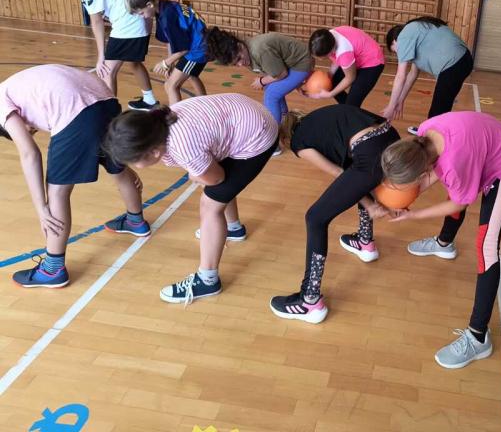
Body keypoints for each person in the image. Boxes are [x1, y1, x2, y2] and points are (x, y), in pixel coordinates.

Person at [379, 111, 501, 369]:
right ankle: (444, 244)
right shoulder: (424, 132)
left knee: (487, 247)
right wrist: (406, 201)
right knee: (457, 187)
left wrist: (414, 215)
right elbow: (436, 174)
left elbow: (460, 201)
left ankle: (478, 337)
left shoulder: (454, 163)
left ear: (421, 170)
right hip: (482, 143)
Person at [103, 93, 278, 304]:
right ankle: (233, 228)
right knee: (214, 189)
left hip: (257, 135)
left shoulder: (183, 147)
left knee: (209, 206)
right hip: (245, 118)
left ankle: (208, 280)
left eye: (133, 162)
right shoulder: (157, 122)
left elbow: (217, 178)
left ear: (155, 152)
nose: (133, 166)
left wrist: (195, 175)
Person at [0, 65, 150, 288]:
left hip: (75, 111)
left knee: (57, 191)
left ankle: (52, 270)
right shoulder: (15, 86)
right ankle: (135, 221)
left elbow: (29, 153)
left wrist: (41, 208)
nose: (32, 130)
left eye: (31, 129)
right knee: (117, 167)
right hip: (106, 100)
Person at [269, 104, 400, 323]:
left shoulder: (299, 141)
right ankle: (365, 242)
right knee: (359, 177)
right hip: (391, 138)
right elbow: (353, 175)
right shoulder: (321, 118)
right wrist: (368, 201)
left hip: (369, 151)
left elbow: (338, 172)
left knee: (315, 218)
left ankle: (309, 301)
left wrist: (369, 204)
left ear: (286, 138)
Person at [34, 0, 159, 110]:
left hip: (128, 24)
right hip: (140, 20)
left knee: (107, 72)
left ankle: (111, 117)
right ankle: (149, 100)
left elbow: (96, 20)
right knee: (133, 62)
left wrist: (101, 56)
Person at [381, 16, 473, 135]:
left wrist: (391, 106)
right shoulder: (415, 34)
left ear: (394, 41)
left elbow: (400, 76)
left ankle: (431, 136)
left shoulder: (404, 36)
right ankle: (430, 132)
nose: (398, 54)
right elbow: (412, 74)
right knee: (442, 107)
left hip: (453, 64)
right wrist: (400, 100)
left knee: (437, 111)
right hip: (464, 60)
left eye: (395, 50)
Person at [205, 27, 312, 125]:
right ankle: (285, 121)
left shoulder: (259, 50)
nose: (240, 64)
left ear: (240, 46)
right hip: (290, 65)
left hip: (301, 63)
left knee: (271, 95)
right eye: (235, 64)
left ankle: (274, 132)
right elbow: (272, 71)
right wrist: (265, 81)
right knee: (269, 88)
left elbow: (281, 73)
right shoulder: (246, 52)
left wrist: (261, 81)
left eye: (239, 58)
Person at [126, 0, 208, 105]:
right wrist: (170, 63)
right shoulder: (163, 6)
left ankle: (176, 115)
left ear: (149, 5)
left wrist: (165, 63)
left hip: (197, 49)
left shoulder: (168, 17)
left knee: (170, 85)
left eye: (142, 13)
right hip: (200, 44)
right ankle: (207, 105)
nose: (143, 17)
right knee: (191, 74)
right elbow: (170, 40)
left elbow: (184, 49)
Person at [307, 26, 385, 107]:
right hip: (357, 57)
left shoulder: (343, 52)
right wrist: (329, 75)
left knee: (352, 104)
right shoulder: (327, 37)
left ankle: (350, 109)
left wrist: (330, 94)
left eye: (321, 57)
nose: (319, 59)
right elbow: (336, 60)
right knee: (333, 84)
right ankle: (348, 109)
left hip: (373, 62)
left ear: (331, 51)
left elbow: (350, 78)